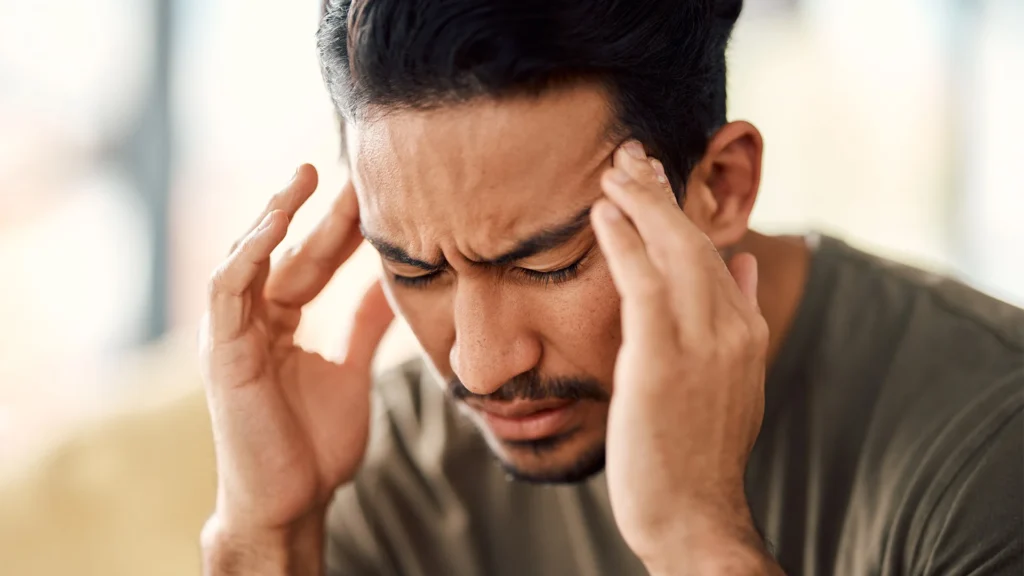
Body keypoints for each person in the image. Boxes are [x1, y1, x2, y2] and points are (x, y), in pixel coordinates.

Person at [198, 0, 1024, 574]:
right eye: (418, 268)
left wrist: (702, 542)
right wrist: (268, 533)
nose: (483, 368)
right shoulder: (393, 473)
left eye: (549, 262)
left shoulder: (989, 444)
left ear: (722, 186)